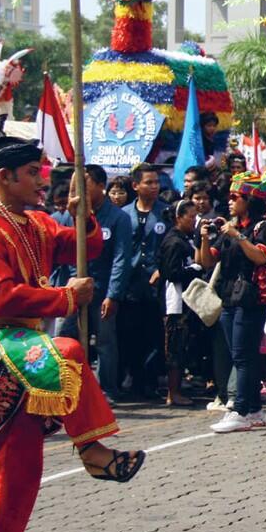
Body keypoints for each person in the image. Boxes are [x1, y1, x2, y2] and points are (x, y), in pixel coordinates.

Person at [0, 119, 145, 532]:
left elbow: (86, 247)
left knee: (20, 466)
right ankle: (93, 451)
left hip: (18, 346)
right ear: (4, 177)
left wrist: (86, 215)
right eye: (32, 173)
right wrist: (63, 299)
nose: (43, 181)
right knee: (66, 350)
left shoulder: (33, 222)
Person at [201, 171, 266, 433]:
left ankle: (240, 408)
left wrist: (237, 235)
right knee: (242, 355)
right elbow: (207, 261)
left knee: (243, 356)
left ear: (250, 200)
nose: (231, 202)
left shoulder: (261, 227)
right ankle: (255, 409)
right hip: (229, 296)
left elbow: (260, 257)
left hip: (251, 298)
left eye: (236, 197)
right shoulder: (230, 228)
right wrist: (204, 237)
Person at [55, 165, 131, 402]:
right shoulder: (70, 214)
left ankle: (106, 389)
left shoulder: (119, 218)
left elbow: (121, 258)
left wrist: (113, 294)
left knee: (105, 342)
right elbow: (62, 253)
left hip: (103, 290)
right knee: (63, 336)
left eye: (85, 184)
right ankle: (67, 386)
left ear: (100, 186)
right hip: (73, 288)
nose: (79, 189)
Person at [123, 163, 168, 400]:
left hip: (155, 285)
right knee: (130, 335)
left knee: (154, 335)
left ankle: (151, 383)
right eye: (148, 182)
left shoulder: (166, 212)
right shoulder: (124, 214)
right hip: (130, 284)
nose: (153, 187)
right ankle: (134, 382)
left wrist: (162, 269)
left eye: (156, 182)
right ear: (135, 185)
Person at [158, 199, 201, 407]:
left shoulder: (185, 238)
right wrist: (194, 270)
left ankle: (178, 388)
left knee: (182, 345)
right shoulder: (173, 242)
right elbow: (171, 273)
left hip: (186, 300)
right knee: (174, 346)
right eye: (190, 217)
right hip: (174, 301)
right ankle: (173, 392)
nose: (194, 221)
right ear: (178, 217)